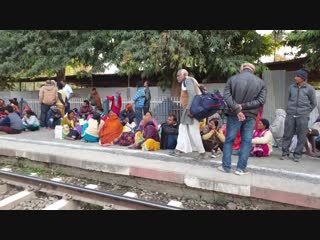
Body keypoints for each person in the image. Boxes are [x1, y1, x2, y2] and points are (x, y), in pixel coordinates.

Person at [219, 63, 266, 175]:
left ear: (242, 69)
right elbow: (261, 101)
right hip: (250, 115)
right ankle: (241, 169)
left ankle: (226, 167)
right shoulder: (260, 83)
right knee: (246, 141)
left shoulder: (232, 79)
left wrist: (237, 108)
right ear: (252, 70)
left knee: (229, 140)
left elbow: (226, 96)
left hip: (234, 114)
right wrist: (243, 107)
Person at [280, 69, 317, 162]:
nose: (295, 78)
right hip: (291, 114)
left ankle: (297, 154)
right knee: (287, 134)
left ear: (303, 78)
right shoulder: (291, 87)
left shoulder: (310, 89)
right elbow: (289, 100)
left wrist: (305, 112)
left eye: (297, 76)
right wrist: (288, 109)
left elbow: (314, 103)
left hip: (303, 115)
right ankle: (285, 153)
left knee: (301, 135)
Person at [171, 69, 206, 159]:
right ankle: (179, 149)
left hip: (191, 109)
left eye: (179, 75)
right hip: (190, 109)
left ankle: (202, 153)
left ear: (185, 74)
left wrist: (188, 109)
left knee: (193, 131)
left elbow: (192, 95)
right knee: (183, 128)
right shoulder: (188, 81)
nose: (177, 77)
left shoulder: (188, 80)